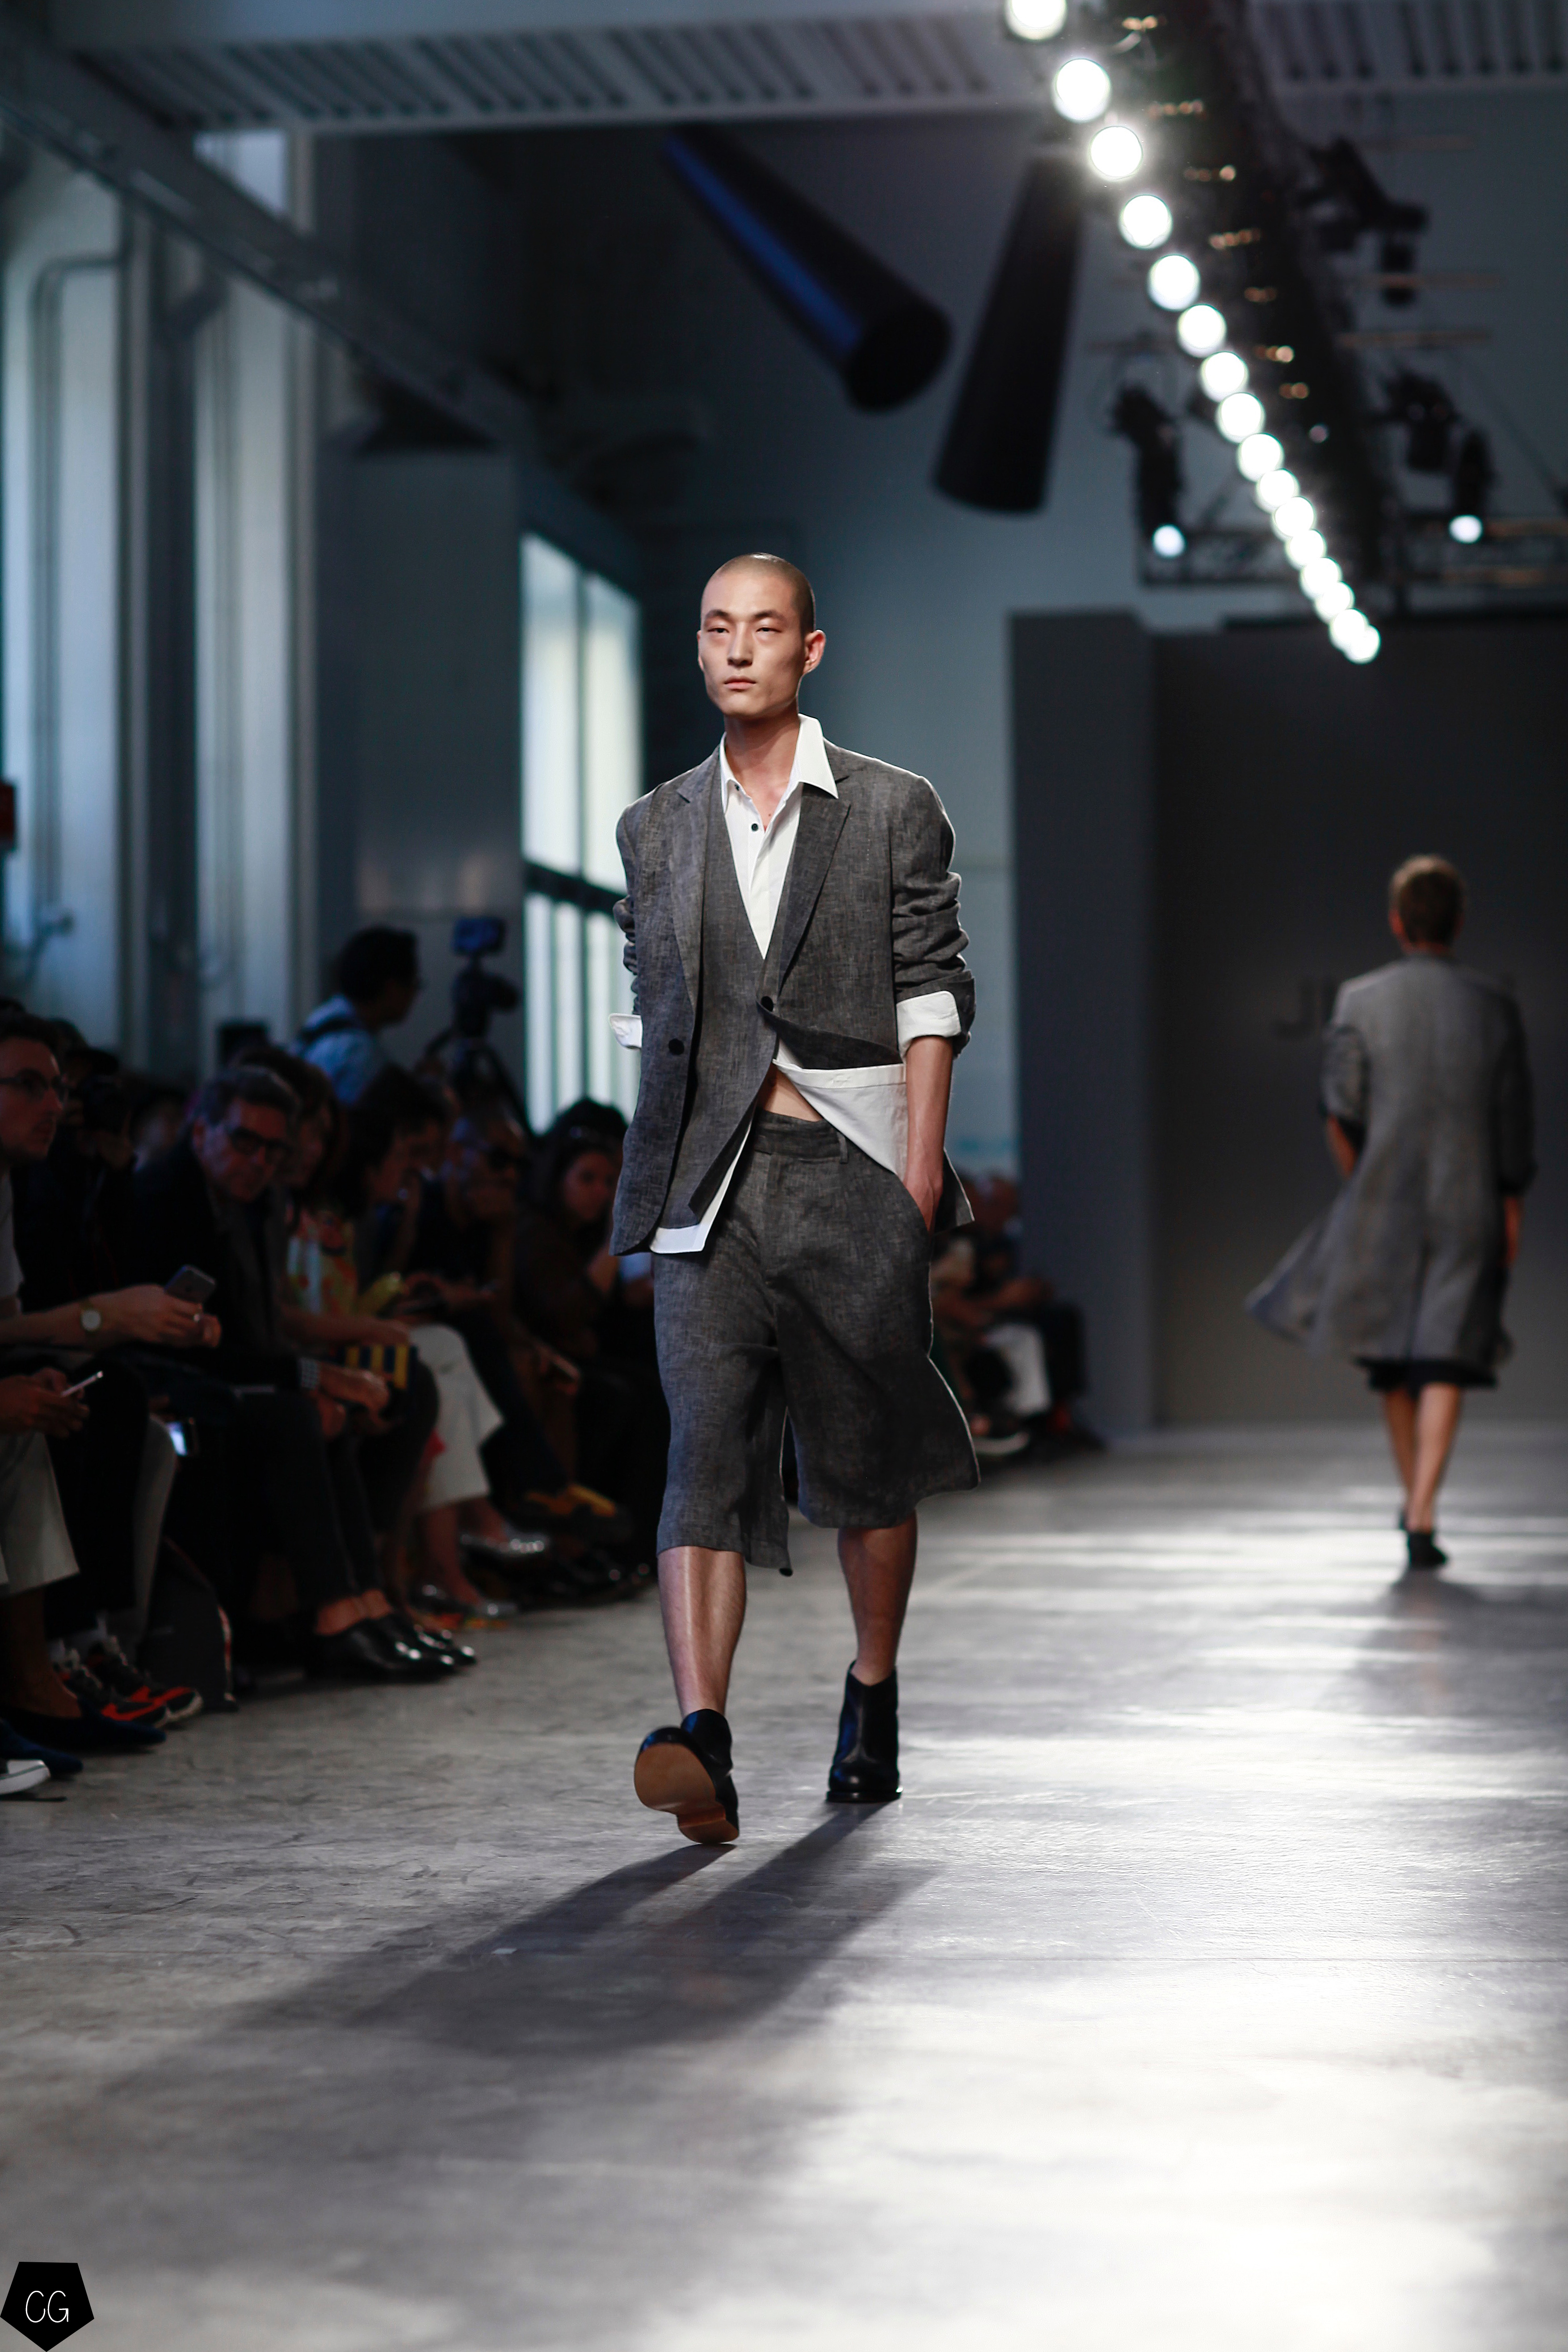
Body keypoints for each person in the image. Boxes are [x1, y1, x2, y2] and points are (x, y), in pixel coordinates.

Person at [615, 552, 977, 1846]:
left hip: (851, 1171)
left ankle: (870, 1690)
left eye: (763, 628)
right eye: (717, 627)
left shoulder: (891, 806)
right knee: (701, 1456)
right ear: (698, 646)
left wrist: (918, 1170)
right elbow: (651, 1003)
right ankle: (700, 1733)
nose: (737, 649)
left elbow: (931, 987)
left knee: (864, 1467)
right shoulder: (654, 826)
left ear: (807, 652)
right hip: (703, 1189)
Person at [1249, 855, 1535, 1572]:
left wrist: (1363, 1180)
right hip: (1470, 1197)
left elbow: (1338, 1107)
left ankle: (1416, 1501)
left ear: (1397, 922)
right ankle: (1423, 1507)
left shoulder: (1359, 1001)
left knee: (1394, 1358)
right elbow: (1513, 1121)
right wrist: (1510, 1200)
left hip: (1387, 1200)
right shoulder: (1493, 1005)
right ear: (1458, 921)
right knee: (1445, 1354)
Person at [296, 926, 422, 1103]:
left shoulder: (320, 1019)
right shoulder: (362, 1055)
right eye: (414, 985)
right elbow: (368, 1118)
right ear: (392, 988)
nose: (414, 995)